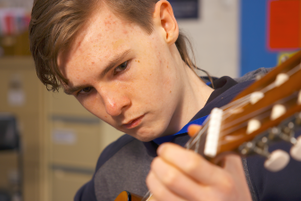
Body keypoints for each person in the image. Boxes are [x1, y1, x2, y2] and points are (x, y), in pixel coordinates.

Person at [29, 0, 301, 200]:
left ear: (165, 24)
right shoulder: (110, 171)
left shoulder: (279, 139)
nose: (113, 107)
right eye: (84, 91)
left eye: (120, 67)